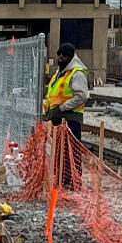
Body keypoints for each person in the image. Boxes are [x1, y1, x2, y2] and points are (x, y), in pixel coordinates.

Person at [43, 42, 90, 187]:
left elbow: (82, 96)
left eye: (64, 55)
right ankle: (62, 179)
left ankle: (72, 181)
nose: (61, 58)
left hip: (70, 119)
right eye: (60, 55)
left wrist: (62, 108)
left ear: (71, 57)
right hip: (57, 118)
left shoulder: (77, 73)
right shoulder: (60, 72)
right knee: (59, 152)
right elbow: (52, 95)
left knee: (71, 152)